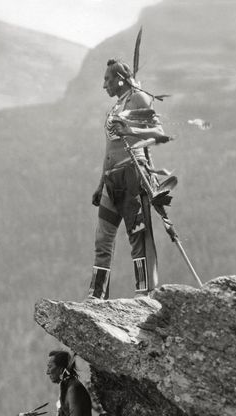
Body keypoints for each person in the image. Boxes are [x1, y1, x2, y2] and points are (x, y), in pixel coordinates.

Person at [88, 57, 168, 300]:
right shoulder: (114, 108)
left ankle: (144, 294)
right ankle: (97, 295)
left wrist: (130, 130)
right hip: (112, 180)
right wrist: (101, 183)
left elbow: (159, 133)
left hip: (133, 175)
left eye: (107, 79)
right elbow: (109, 147)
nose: (104, 86)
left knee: (138, 239)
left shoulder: (138, 98)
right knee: (103, 239)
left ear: (120, 79)